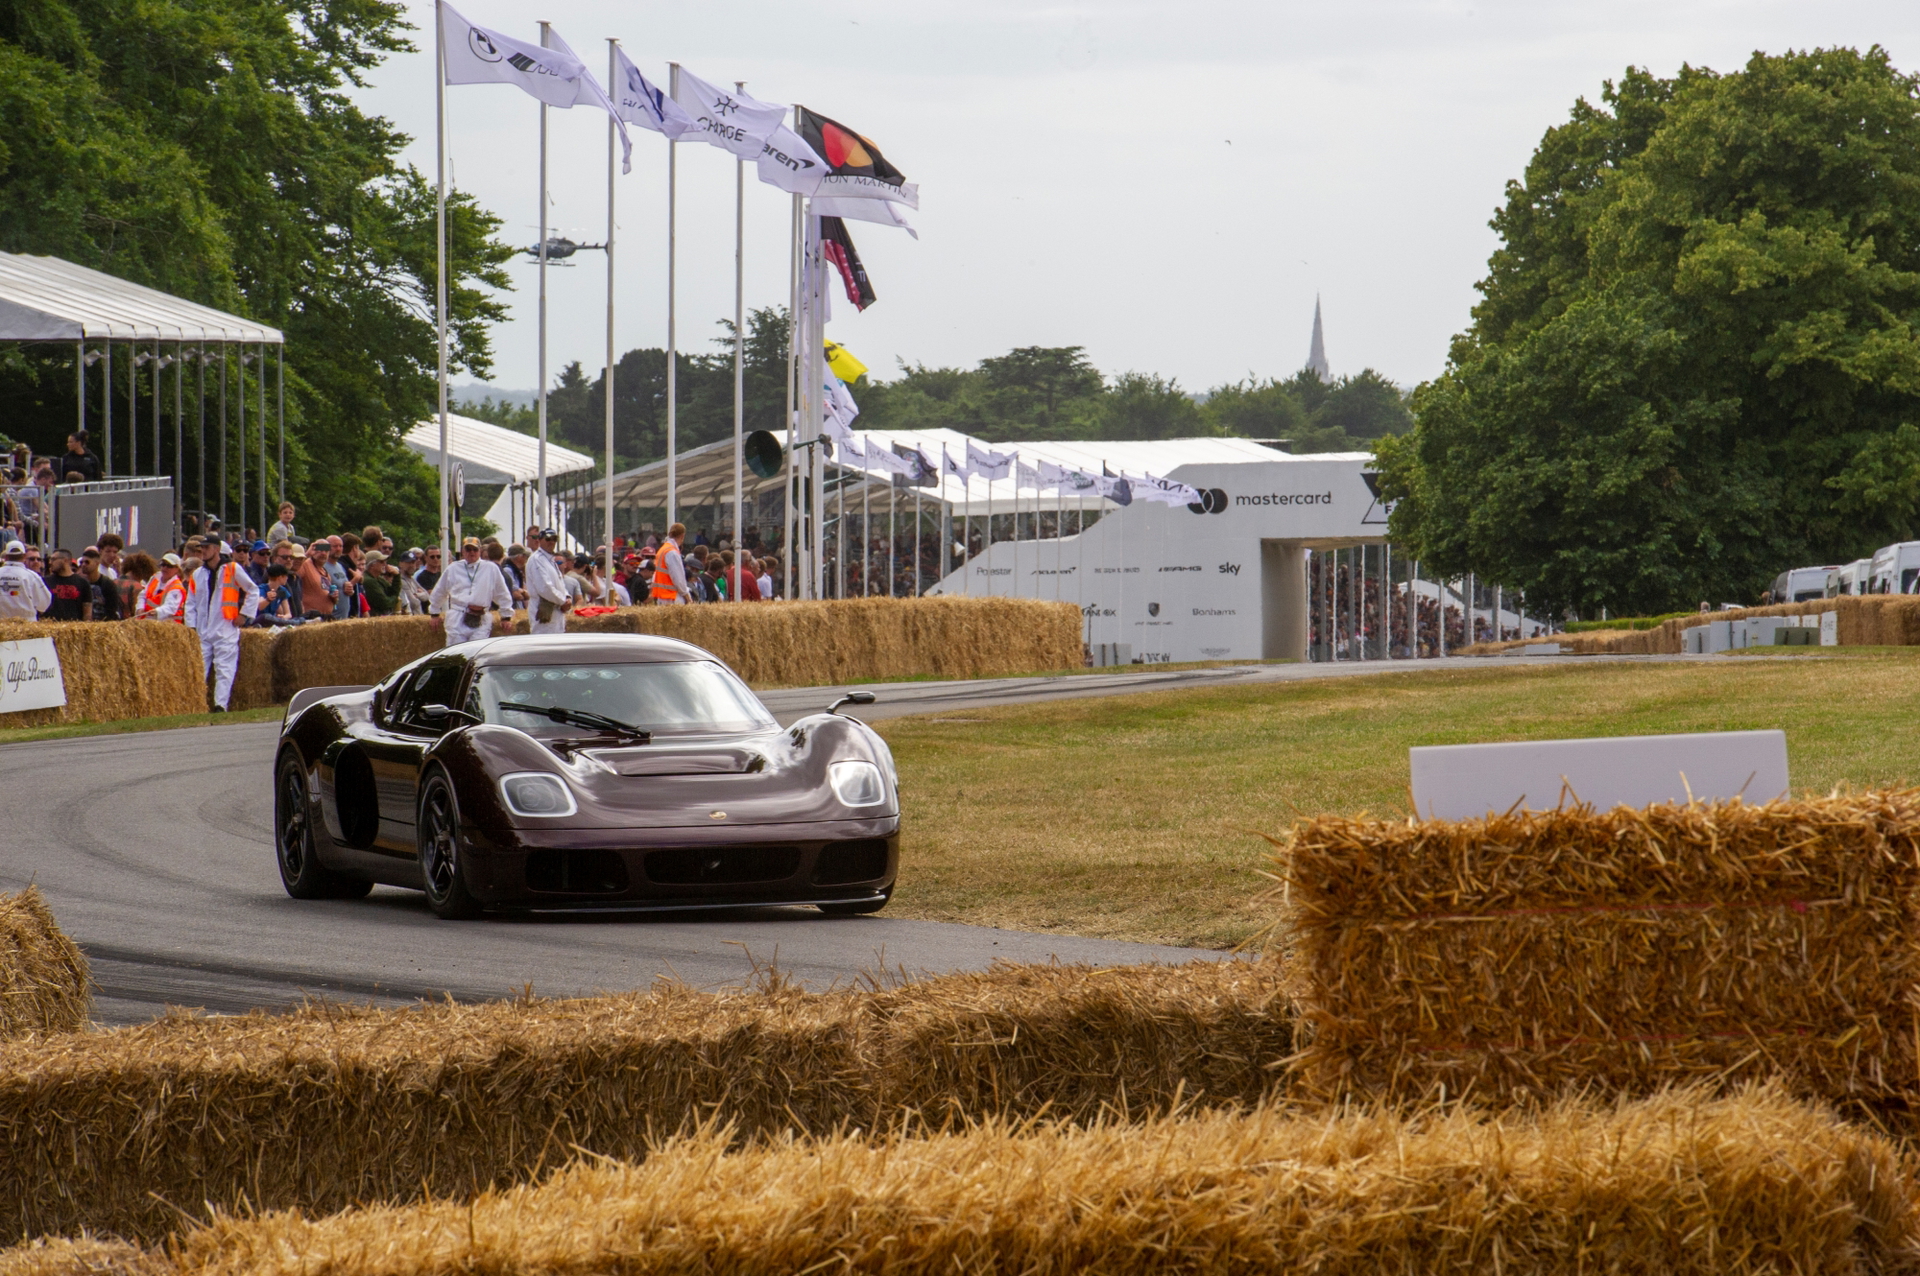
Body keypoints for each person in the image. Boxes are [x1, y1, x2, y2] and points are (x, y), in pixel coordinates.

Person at [195, 545, 261, 708]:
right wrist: (192, 626)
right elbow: (191, 601)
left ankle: (220, 706)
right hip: (204, 628)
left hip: (225, 626)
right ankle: (196, 704)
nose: (202, 551)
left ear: (216, 550)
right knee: (199, 668)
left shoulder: (232, 569)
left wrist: (244, 615)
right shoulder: (199, 573)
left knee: (224, 669)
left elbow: (253, 590)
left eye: (206, 548)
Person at [430, 536, 512, 646]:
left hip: (480, 617)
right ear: (463, 551)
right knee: (456, 653)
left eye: (475, 549)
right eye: (468, 549)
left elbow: (502, 592)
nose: (471, 552)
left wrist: (506, 616)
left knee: (476, 651)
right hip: (457, 616)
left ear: (480, 551)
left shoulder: (490, 568)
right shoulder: (453, 568)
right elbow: (440, 590)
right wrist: (434, 613)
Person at [525, 528, 571, 634]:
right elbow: (544, 588)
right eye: (548, 539)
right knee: (543, 645)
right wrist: (563, 601)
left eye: (554, 539)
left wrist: (567, 597)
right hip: (543, 610)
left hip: (556, 611)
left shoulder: (550, 560)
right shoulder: (537, 559)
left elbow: (559, 583)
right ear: (540, 540)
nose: (551, 542)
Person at [0, 540, 50, 620]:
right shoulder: (32, 576)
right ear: (24, 556)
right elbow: (44, 604)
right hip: (26, 626)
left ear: (6, 557)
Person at [77, 547, 122, 621]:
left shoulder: (107, 584)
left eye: (87, 562)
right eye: (82, 562)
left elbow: (112, 609)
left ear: (97, 563)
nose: (83, 565)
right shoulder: (79, 583)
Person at [650, 523, 689, 605]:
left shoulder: (663, 549)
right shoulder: (672, 552)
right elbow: (678, 578)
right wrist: (686, 595)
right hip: (672, 597)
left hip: (662, 596)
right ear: (683, 536)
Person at [42, 550, 87, 620]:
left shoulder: (82, 582)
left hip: (73, 628)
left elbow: (87, 613)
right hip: (49, 627)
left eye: (53, 559)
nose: (50, 562)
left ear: (65, 560)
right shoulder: (44, 581)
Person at [298, 539, 336, 619]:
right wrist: (307, 554)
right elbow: (294, 573)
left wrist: (334, 597)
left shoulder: (325, 572)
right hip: (310, 617)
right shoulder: (306, 564)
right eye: (320, 550)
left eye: (326, 550)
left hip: (325, 617)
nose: (323, 553)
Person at [361, 549, 401, 616]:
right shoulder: (369, 581)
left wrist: (396, 576)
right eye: (381, 562)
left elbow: (392, 592)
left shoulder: (378, 578)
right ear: (372, 565)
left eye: (385, 561)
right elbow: (385, 603)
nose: (385, 564)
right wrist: (395, 599)